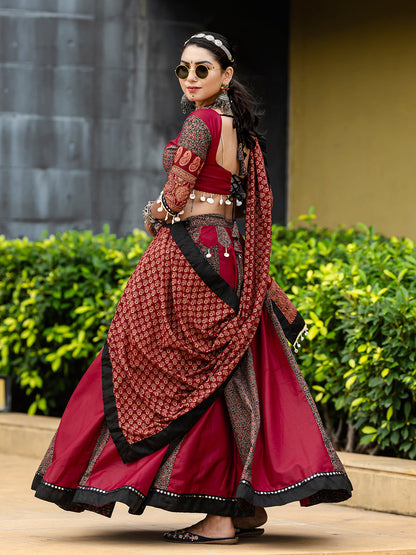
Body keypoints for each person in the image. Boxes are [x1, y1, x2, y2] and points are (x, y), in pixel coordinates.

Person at [31, 31, 352, 545]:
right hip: (228, 258)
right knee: (224, 376)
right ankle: (240, 507)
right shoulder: (241, 133)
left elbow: (173, 199)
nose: (191, 79)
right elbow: (245, 206)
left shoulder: (201, 124)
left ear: (227, 75)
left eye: (202, 69)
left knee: (151, 360)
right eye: (183, 69)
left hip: (188, 256)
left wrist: (152, 213)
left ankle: (220, 514)